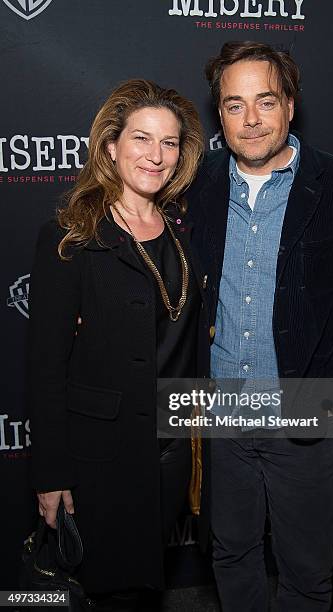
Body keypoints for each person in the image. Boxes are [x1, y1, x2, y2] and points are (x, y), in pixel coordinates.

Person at [186, 41, 333, 611]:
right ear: (219, 113)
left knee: (306, 570)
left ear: (290, 105)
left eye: (265, 101)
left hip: (300, 416)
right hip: (219, 415)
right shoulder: (197, 185)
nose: (250, 119)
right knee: (231, 554)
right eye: (234, 104)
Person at [28, 79, 207, 609]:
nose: (156, 156)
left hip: (171, 451)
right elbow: (44, 364)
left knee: (149, 584)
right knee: (110, 592)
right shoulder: (72, 235)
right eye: (142, 139)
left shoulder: (181, 228)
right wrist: (51, 472)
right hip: (101, 456)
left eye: (170, 143)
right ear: (111, 146)